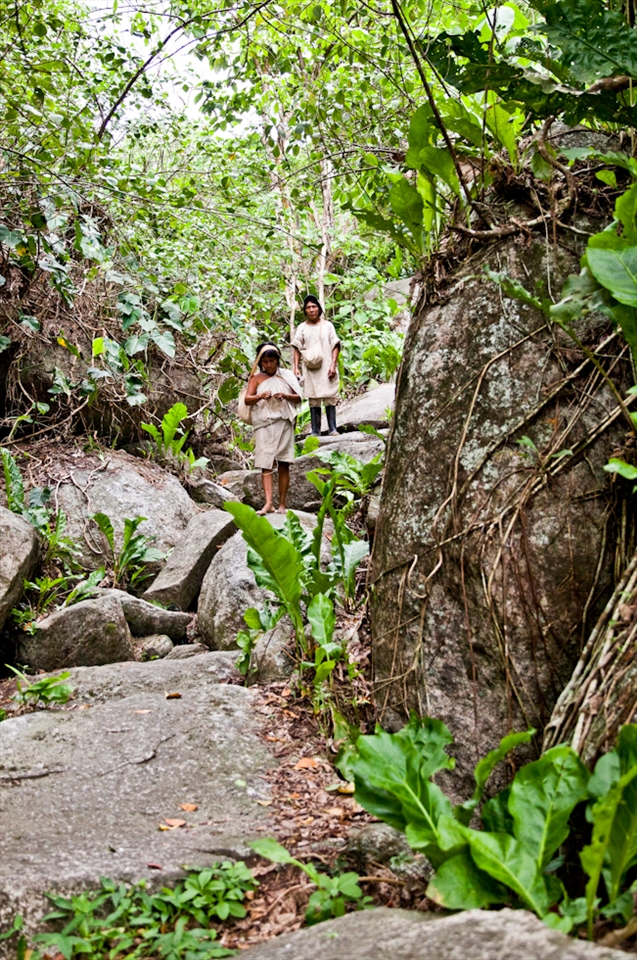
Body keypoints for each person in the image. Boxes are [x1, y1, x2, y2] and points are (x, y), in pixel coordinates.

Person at [244, 342, 302, 514]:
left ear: (278, 361)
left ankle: (282, 504)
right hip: (264, 423)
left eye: (272, 361)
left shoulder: (287, 376)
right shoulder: (256, 378)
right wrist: (260, 396)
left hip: (283, 422)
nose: (268, 365)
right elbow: (247, 399)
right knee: (265, 463)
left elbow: (298, 398)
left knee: (284, 463)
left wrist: (285, 395)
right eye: (265, 361)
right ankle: (268, 503)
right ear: (260, 362)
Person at [291, 294, 341, 436]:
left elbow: (335, 345)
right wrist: (296, 368)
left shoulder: (328, 326)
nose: (312, 310)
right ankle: (315, 431)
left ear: (319, 308)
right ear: (305, 311)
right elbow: (296, 347)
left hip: (326, 367)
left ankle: (332, 429)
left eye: (314, 306)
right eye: (308, 307)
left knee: (330, 397)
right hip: (310, 369)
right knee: (313, 399)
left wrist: (333, 365)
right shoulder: (302, 328)